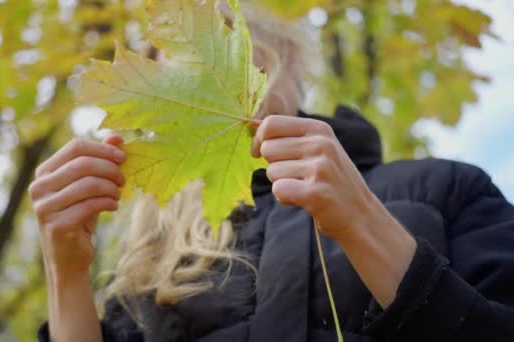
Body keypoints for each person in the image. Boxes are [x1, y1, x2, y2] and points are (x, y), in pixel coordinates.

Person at [29, 4, 514, 342]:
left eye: (217, 34)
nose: (193, 71)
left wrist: (362, 222)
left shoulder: (449, 187)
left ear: (289, 54)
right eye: (172, 68)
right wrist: (65, 274)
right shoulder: (152, 259)